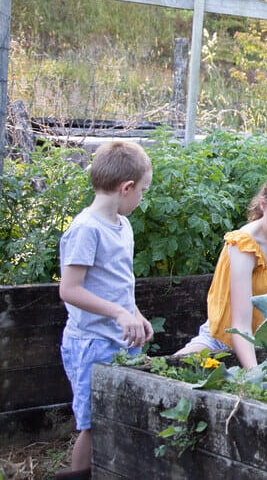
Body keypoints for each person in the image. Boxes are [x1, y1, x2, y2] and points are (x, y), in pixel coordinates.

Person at [58, 140, 155, 479]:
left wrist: (135, 315)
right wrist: (117, 313)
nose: (142, 198)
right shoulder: (86, 229)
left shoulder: (121, 225)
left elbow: (117, 284)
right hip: (92, 344)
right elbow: (69, 290)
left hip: (122, 338)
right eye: (142, 190)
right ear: (126, 188)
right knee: (92, 424)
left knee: (120, 417)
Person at [175, 167, 267, 370]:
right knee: (171, 370)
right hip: (225, 339)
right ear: (264, 206)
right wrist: (254, 376)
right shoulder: (244, 246)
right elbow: (240, 326)